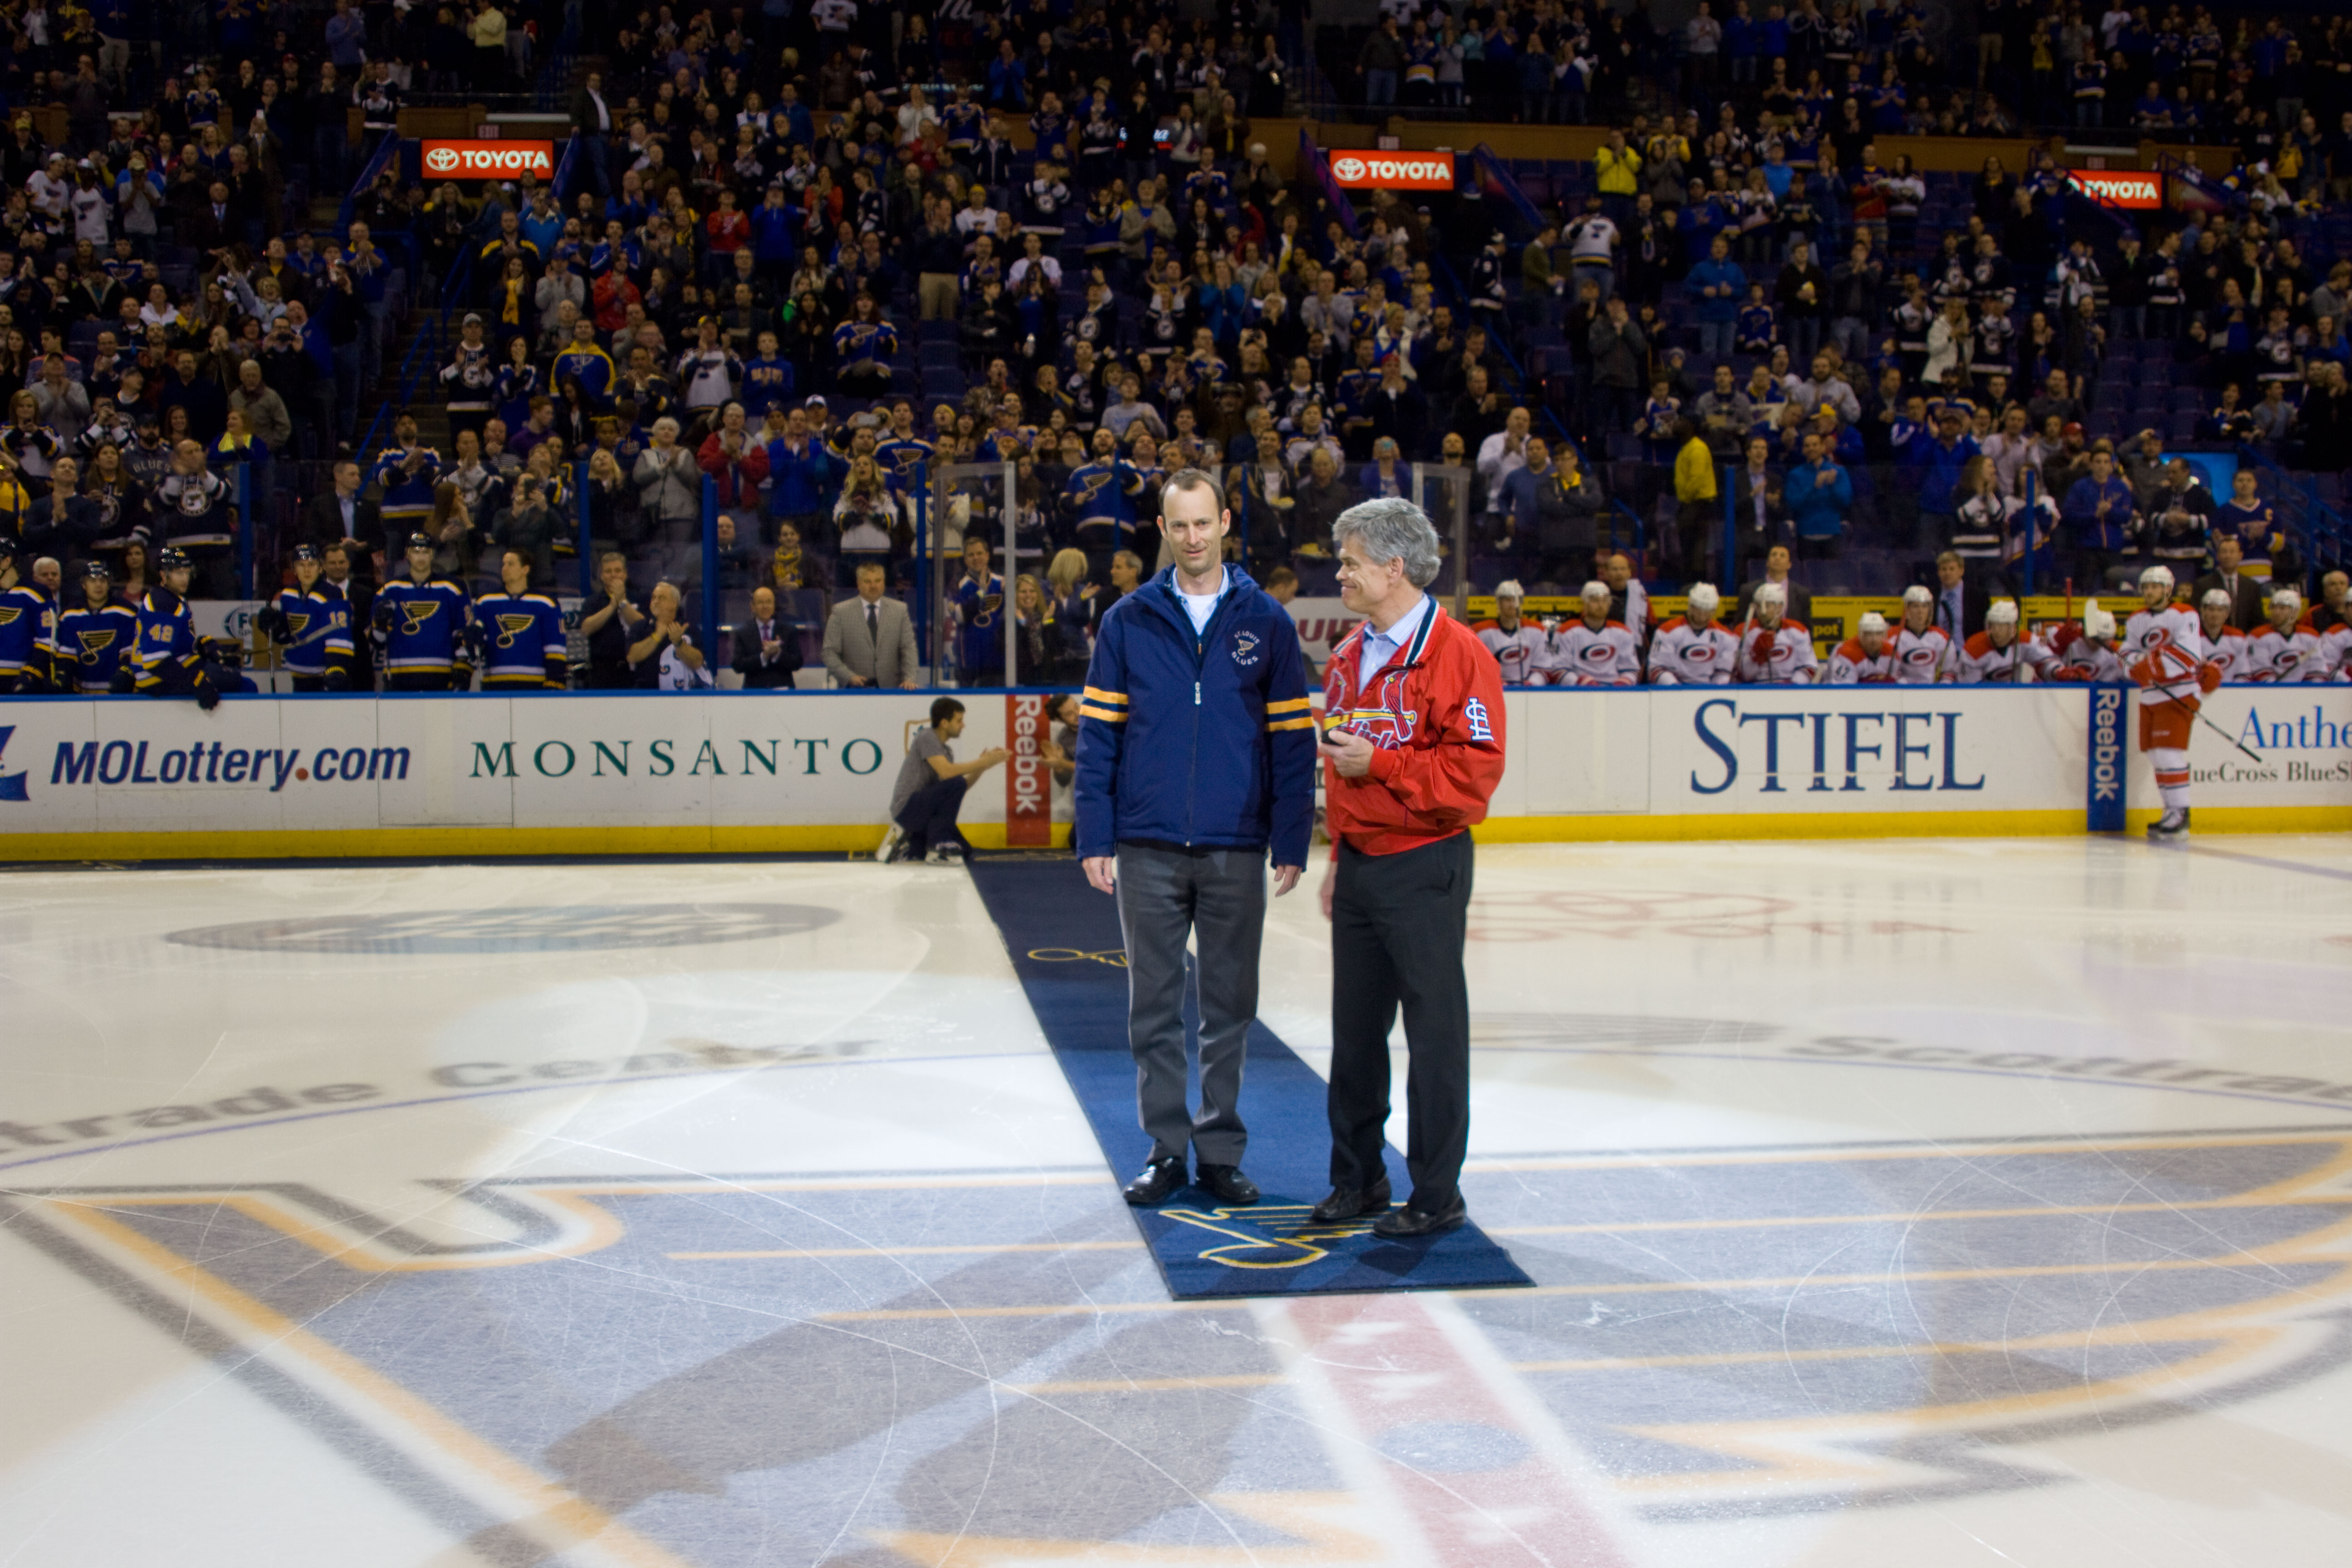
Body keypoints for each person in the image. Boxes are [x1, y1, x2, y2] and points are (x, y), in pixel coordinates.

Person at [1073, 469, 1315, 1210]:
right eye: (1178, 526)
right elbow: (1097, 740)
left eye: (1202, 523)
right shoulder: (1127, 620)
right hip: (1144, 845)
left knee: (1228, 1006)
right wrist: (1094, 834)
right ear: (1162, 528)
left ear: (1224, 522)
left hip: (1235, 846)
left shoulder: (1266, 620)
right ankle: (1165, 1149)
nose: (1191, 537)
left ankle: (1218, 1152)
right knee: (1151, 1006)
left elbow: (1291, 741)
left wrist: (1290, 836)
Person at [1313, 495, 1506, 1240]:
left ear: (1393, 567)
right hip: (1361, 865)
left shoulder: (1460, 654)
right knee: (1353, 1036)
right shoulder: (1346, 656)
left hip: (1425, 865)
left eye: (1351, 563)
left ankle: (1435, 1193)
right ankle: (1356, 1180)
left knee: (1432, 1038)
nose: (1341, 575)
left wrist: (1383, 762)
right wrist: (1337, 854)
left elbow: (1472, 775)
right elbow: (1339, 769)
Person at [2121, 564, 2206, 839]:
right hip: (2151, 695)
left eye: (2155, 587)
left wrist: (2151, 666)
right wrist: (2136, 666)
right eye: (2145, 587)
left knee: (2170, 753)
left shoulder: (2185, 614)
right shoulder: (2136, 619)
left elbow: (2189, 654)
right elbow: (2127, 653)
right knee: (2157, 756)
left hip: (2179, 693)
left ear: (2168, 590)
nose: (2149, 592)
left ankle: (2182, 813)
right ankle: (2171, 811)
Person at [878, 696, 1009, 864]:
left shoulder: (946, 752)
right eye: (959, 721)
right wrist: (982, 762)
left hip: (923, 811)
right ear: (944, 723)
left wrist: (983, 767)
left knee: (964, 851)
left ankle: (908, 843)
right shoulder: (927, 737)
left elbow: (957, 788)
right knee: (956, 783)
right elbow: (948, 774)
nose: (963, 725)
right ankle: (936, 846)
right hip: (907, 808)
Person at [373, 532, 473, 691]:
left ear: (432, 554)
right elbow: (377, 641)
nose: (421, 557)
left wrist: (463, 662)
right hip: (400, 674)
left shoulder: (453, 588)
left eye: (425, 552)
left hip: (442, 672)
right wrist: (380, 625)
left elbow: (464, 631)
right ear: (408, 554)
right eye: (416, 551)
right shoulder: (389, 590)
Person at [253, 544, 355, 691]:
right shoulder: (288, 595)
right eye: (301, 565)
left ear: (320, 568)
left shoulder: (333, 594)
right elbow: (288, 637)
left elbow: (340, 635)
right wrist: (274, 626)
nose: (307, 570)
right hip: (298, 676)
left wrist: (337, 667)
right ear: (294, 569)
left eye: (311, 565)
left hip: (327, 677)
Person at [474, 548, 568, 690]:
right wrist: (473, 638)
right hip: (495, 681)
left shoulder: (546, 603)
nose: (505, 569)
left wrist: (555, 678)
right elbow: (477, 641)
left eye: (511, 564)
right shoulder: (485, 602)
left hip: (535, 682)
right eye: (503, 564)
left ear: (525, 569)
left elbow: (555, 645)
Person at [823, 560, 921, 688]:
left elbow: (909, 648)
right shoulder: (841, 612)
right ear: (859, 584)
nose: (873, 586)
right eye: (868, 582)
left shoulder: (900, 610)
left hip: (892, 690)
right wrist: (848, 676)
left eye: (878, 581)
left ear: (884, 583)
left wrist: (909, 678)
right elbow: (829, 652)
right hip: (853, 691)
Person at [1547, 580, 1642, 686]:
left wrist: (1623, 684)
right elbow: (1558, 669)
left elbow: (1631, 669)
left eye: (1605, 600)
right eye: (1595, 601)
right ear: (1585, 603)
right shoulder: (1566, 631)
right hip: (1579, 692)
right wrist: (1581, 683)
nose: (1601, 605)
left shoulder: (1623, 632)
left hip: (1614, 690)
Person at [576, 550, 644, 689]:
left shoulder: (639, 598)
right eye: (608, 572)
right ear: (602, 576)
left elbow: (643, 626)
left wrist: (622, 602)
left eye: (618, 571)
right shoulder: (593, 602)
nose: (613, 575)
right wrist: (613, 605)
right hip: (602, 672)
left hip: (634, 671)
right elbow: (585, 629)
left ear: (625, 574)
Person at [1647, 583, 1738, 684]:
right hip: (1674, 689)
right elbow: (1657, 668)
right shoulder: (1667, 631)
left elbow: (1723, 672)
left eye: (1708, 611)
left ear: (1714, 610)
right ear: (1691, 606)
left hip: (1708, 689)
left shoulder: (1726, 636)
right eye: (1699, 610)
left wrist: (1715, 690)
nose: (1702, 616)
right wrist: (1676, 689)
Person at [0, 538, 59, 693]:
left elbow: (49, 639)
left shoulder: (36, 594)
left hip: (19, 679)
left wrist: (33, 672)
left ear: (6, 561)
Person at [628, 581, 709, 688]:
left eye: (662, 598)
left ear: (674, 603)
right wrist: (657, 635)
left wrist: (679, 643)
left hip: (682, 698)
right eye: (653, 598)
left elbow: (697, 662)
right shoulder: (641, 626)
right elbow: (632, 657)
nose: (656, 602)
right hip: (645, 695)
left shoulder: (688, 629)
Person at [1734, 581, 1818, 684]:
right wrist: (1755, 655)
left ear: (1779, 607)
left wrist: (1792, 687)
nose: (1762, 611)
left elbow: (1809, 667)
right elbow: (1742, 675)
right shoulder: (1743, 631)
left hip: (1790, 689)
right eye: (1759, 606)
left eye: (1767, 606)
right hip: (1755, 690)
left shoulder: (1798, 631)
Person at [1474, 578, 1551, 686]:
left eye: (1516, 600)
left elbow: (1544, 669)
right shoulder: (1480, 632)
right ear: (1499, 603)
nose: (1512, 605)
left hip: (1529, 692)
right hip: (1495, 691)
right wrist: (1496, 684)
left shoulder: (1538, 631)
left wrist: (1531, 683)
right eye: (1507, 600)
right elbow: (1476, 670)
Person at [952, 536, 1007, 686]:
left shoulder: (1002, 582)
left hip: (998, 660)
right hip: (969, 661)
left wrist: (1009, 594)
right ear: (965, 559)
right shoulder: (958, 585)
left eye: (979, 553)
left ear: (988, 555)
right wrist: (981, 593)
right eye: (971, 555)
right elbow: (960, 616)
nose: (976, 558)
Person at [733, 584, 803, 689]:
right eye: (761, 602)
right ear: (752, 606)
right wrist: (763, 657)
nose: (765, 606)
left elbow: (797, 663)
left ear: (774, 605)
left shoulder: (789, 630)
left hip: (783, 691)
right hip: (754, 692)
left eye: (769, 602)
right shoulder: (743, 633)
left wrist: (778, 653)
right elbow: (737, 665)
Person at [2244, 587, 2321, 683]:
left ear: (2295, 611)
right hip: (2270, 693)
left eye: (2282, 608)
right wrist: (2280, 691)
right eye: (2274, 607)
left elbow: (2318, 671)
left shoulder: (2311, 636)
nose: (2276, 612)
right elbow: (2261, 672)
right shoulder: (2257, 636)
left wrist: (2305, 691)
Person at [1828, 611, 1900, 683]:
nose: (1874, 640)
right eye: (1869, 634)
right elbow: (1844, 690)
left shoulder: (1891, 652)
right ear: (1860, 635)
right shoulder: (1847, 654)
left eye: (1879, 634)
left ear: (1885, 635)